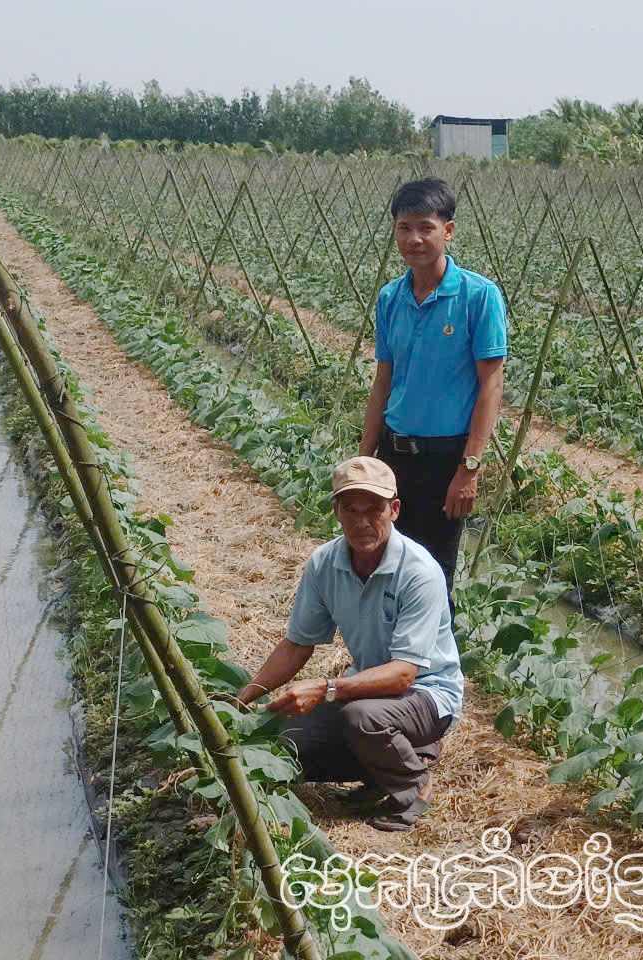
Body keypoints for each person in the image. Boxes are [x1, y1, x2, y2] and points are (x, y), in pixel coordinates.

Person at [234, 456, 464, 831]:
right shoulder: (325, 563)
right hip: (371, 692)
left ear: (394, 510)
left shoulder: (418, 572)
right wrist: (243, 699)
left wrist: (326, 688)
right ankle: (388, 764)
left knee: (362, 719)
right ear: (336, 512)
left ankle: (413, 786)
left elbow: (404, 675)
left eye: (373, 509)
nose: (361, 522)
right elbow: (297, 645)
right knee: (284, 740)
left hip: (427, 695)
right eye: (350, 509)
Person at [359, 178, 507, 608]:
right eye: (404, 228)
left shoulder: (478, 296)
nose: (415, 239)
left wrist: (470, 468)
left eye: (425, 227)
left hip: (446, 459)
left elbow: (491, 385)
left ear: (449, 230)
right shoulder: (391, 297)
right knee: (384, 561)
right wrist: (367, 456)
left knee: (433, 574)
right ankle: (385, 665)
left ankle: (433, 673)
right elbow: (383, 381)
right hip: (394, 452)